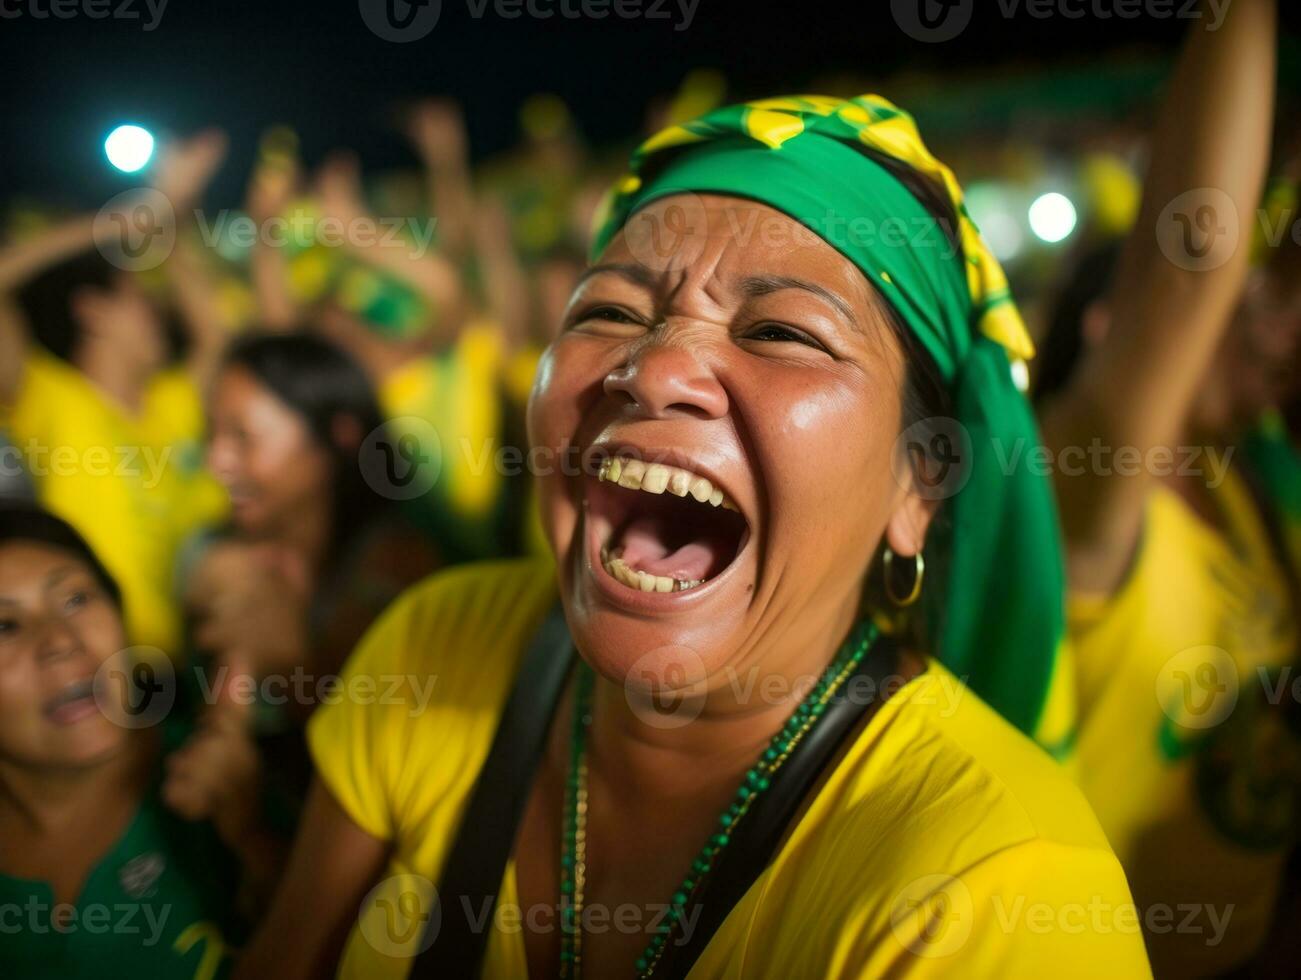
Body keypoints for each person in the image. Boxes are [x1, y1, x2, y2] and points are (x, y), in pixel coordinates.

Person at [236, 93, 1150, 978]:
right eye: (609, 314)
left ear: (917, 485)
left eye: (782, 331)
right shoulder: (437, 641)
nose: (655, 366)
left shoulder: (994, 892)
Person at [1035, 1, 1294, 973]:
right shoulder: (1085, 485)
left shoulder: (1247, 495)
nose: (1269, 326)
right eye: (1247, 305)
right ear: (1112, 328)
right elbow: (1193, 265)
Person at [174, 330, 440, 873]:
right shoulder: (210, 555)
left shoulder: (402, 568)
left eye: (243, 438)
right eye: (212, 435)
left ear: (338, 438)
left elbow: (397, 754)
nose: (217, 462)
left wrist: (292, 661)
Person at [0, 133, 234, 654]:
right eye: (140, 300)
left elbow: (217, 333)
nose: (158, 313)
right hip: (91, 661)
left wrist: (169, 218)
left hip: (178, 670)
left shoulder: (170, 406)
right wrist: (114, 223)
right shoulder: (51, 398)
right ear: (92, 310)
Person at [0, 504, 241, 979]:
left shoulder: (228, 781)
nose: (59, 641)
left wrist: (250, 835)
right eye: (4, 626)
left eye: (75, 599)